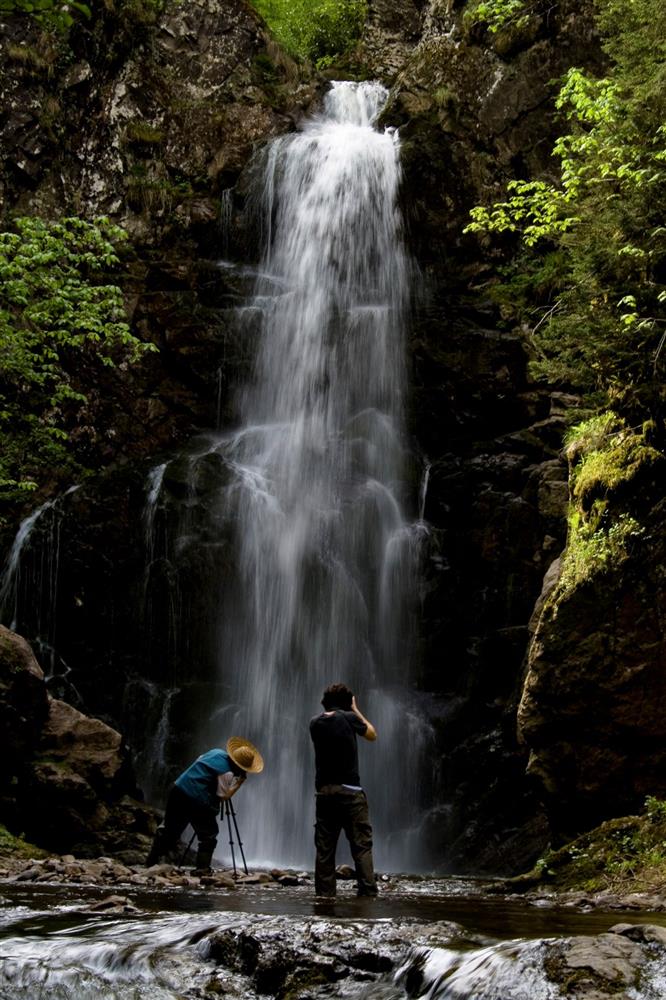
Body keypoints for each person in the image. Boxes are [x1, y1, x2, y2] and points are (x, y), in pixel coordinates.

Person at [145, 736, 263, 872]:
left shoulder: (216, 752)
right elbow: (223, 796)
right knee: (209, 834)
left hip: (178, 789)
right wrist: (239, 783)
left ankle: (151, 862)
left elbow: (199, 761)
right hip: (196, 800)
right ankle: (202, 869)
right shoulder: (227, 773)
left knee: (170, 829)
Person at [309, 683, 378, 897]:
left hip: (325, 793)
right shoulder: (349, 718)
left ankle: (325, 897)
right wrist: (355, 710)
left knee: (325, 849)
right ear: (347, 703)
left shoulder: (314, 723)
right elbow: (372, 734)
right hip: (350, 792)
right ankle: (367, 894)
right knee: (361, 846)